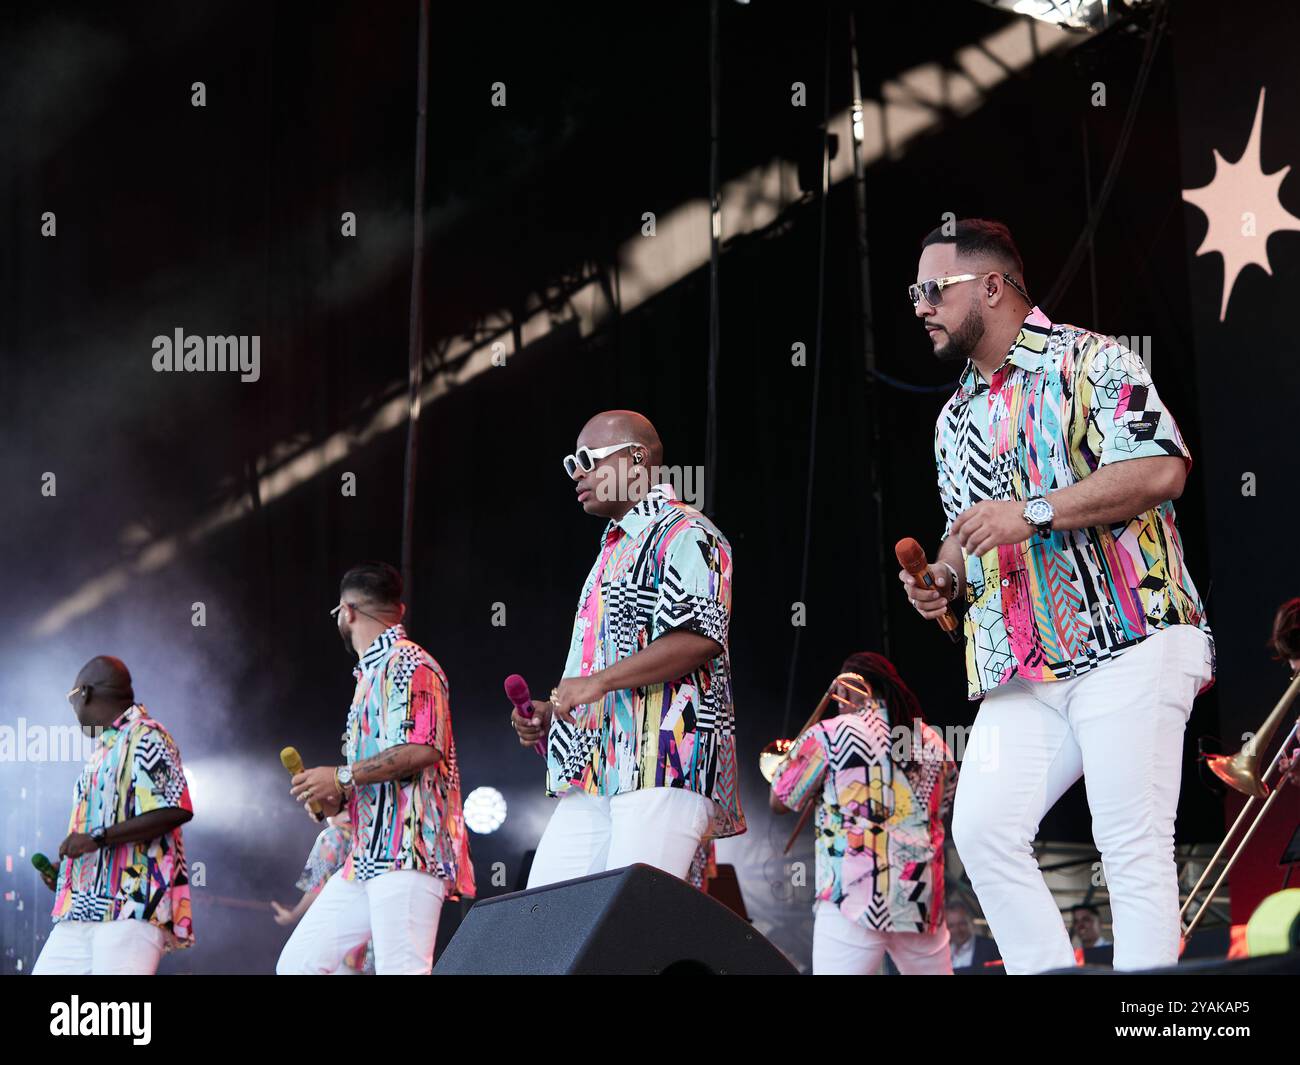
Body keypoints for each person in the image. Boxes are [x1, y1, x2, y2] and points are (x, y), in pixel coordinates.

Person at [901, 219, 1215, 973]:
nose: (919, 307)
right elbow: (961, 533)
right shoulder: (953, 418)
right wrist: (943, 578)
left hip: (1130, 640)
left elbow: (1163, 466)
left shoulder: (1092, 359)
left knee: (1129, 841)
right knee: (979, 830)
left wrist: (1033, 509)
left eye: (931, 289)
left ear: (992, 286)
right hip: (1026, 665)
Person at [511, 410, 744, 886]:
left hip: (664, 762)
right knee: (542, 920)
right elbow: (602, 672)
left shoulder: (686, 531)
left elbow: (697, 638)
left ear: (636, 459)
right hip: (595, 768)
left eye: (586, 459)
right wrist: (553, 710)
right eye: (570, 463)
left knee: (629, 934)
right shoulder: (612, 552)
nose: (576, 473)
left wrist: (595, 683)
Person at [276, 562, 474, 974]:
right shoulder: (370, 674)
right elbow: (380, 778)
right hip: (368, 854)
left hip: (410, 852)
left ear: (347, 611)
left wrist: (341, 775)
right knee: (298, 965)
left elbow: (424, 747)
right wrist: (337, 798)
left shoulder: (410, 663)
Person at [769, 652, 958, 975]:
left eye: (844, 691)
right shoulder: (936, 743)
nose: (839, 701)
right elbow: (943, 808)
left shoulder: (830, 733)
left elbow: (779, 800)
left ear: (862, 686)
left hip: (852, 898)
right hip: (920, 900)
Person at [32, 656, 194, 975]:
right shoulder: (107, 748)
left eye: (72, 700)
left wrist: (95, 839)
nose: (74, 711)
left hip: (130, 905)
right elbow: (104, 832)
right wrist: (69, 870)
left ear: (86, 694)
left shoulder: (146, 735)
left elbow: (176, 807)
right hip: (82, 908)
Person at [272, 811, 372, 974]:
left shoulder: (333, 835)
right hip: (368, 947)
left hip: (337, 944)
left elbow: (316, 886)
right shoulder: (369, 836)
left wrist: (294, 914)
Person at [945, 899, 1000, 972]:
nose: (957, 930)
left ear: (970, 922)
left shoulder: (991, 948)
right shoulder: (943, 952)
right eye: (951, 926)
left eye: (961, 924)